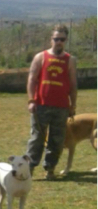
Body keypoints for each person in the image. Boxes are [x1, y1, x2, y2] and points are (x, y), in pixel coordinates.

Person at [26, 24, 77, 179]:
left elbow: (73, 84)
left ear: (65, 40)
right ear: (51, 39)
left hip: (61, 107)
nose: (58, 42)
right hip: (41, 105)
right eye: (56, 39)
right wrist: (31, 100)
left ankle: (50, 169)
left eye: (62, 39)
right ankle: (30, 168)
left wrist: (73, 105)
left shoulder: (70, 60)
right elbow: (32, 79)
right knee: (37, 138)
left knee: (57, 139)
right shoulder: (40, 57)